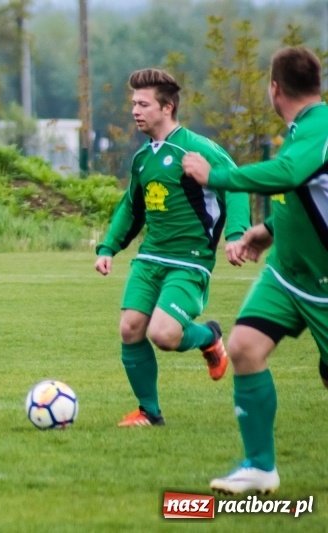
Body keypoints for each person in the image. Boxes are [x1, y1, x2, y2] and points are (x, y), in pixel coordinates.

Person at [183, 46, 328, 495]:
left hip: (324, 286)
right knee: (244, 347)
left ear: (274, 88)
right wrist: (266, 229)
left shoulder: (321, 127)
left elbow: (288, 172)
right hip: (288, 275)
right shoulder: (305, 127)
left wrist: (217, 177)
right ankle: (260, 467)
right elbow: (309, 193)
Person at [94, 68, 251, 427]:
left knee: (163, 335)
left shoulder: (197, 149)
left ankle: (208, 336)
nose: (135, 110)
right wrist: (107, 249)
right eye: (133, 103)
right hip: (149, 259)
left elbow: (237, 184)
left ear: (167, 108)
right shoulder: (142, 158)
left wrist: (236, 235)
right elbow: (130, 208)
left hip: (189, 262)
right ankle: (149, 412)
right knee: (130, 328)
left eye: (143, 104)